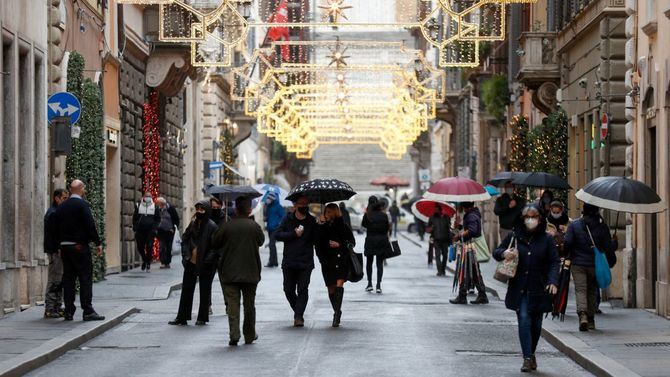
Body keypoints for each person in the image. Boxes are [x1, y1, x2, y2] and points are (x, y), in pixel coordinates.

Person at [493, 204, 559, 373]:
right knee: (523, 319)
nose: (530, 220)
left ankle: (531, 352)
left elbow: (554, 262)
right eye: (527, 217)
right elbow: (497, 251)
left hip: (539, 288)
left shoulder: (547, 239)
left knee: (536, 324)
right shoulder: (514, 236)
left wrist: (553, 281)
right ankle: (527, 358)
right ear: (522, 220)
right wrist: (504, 253)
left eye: (534, 217)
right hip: (519, 287)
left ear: (539, 219)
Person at [213, 196, 265, 346]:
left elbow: (215, 242)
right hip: (251, 271)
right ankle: (249, 334)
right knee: (249, 306)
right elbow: (261, 241)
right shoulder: (254, 226)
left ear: (236, 209)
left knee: (233, 305)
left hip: (229, 271)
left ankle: (234, 334)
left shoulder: (227, 226)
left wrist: (223, 227)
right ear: (249, 210)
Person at [52, 180, 104, 321]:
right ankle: (87, 310)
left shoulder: (62, 207)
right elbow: (90, 225)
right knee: (85, 278)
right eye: (84, 188)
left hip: (65, 247)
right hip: (79, 246)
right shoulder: (82, 205)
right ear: (80, 189)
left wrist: (59, 245)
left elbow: (55, 227)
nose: (85, 190)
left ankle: (69, 311)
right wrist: (98, 243)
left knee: (68, 278)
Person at [564, 203, 618, 331]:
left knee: (580, 290)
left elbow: (568, 243)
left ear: (583, 210)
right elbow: (607, 247)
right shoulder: (602, 226)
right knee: (592, 290)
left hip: (578, 263)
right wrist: (614, 243)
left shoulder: (574, 225)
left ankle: (582, 315)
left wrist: (568, 253)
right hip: (595, 264)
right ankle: (591, 319)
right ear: (597, 210)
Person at [168, 200, 219, 326]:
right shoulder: (192, 224)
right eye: (197, 209)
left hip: (206, 264)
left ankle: (202, 317)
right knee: (186, 290)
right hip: (191, 261)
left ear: (206, 211)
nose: (199, 211)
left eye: (202, 209)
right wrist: (186, 255)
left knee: (205, 291)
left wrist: (208, 260)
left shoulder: (212, 226)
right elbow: (184, 240)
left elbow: (216, 247)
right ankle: (182, 317)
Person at [275, 195, 318, 327]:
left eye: (306, 204)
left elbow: (317, 240)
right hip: (289, 261)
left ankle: (298, 316)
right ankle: (298, 311)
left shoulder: (312, 221)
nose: (304, 206)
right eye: (301, 204)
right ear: (295, 205)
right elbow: (277, 235)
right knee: (288, 289)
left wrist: (321, 226)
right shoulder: (288, 219)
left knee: (303, 289)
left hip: (305, 261)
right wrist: (293, 234)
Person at [316, 203, 356, 327]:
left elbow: (352, 243)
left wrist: (340, 245)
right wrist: (321, 225)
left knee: (339, 285)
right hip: (327, 261)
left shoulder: (343, 226)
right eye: (325, 212)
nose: (326, 214)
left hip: (340, 260)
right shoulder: (322, 226)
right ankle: (336, 310)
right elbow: (317, 242)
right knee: (330, 288)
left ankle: (336, 315)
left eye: (328, 212)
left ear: (334, 212)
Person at [449, 202, 489, 305]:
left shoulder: (471, 215)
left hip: (470, 248)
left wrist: (459, 235)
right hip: (469, 248)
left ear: (465, 206)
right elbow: (469, 228)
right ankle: (481, 295)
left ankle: (463, 296)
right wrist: (459, 226)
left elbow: (472, 230)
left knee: (465, 271)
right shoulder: (472, 214)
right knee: (474, 271)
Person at [44, 188, 69, 318]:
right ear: (57, 198)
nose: (66, 201)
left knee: (59, 280)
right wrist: (58, 249)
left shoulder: (57, 212)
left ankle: (57, 307)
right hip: (55, 252)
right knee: (54, 280)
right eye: (64, 198)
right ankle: (50, 308)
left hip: (58, 251)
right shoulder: (53, 213)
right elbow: (54, 235)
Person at [362, 196, 392, 294]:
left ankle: (369, 283)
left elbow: (363, 225)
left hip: (370, 240)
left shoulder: (368, 215)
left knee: (369, 263)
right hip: (381, 241)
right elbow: (387, 228)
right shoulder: (384, 215)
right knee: (379, 264)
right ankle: (378, 285)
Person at [133, 191, 160, 272]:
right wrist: (135, 226)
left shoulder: (155, 207)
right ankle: (145, 260)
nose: (148, 198)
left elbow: (158, 219)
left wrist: (155, 228)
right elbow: (135, 218)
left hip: (150, 231)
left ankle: (148, 262)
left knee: (149, 246)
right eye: (146, 196)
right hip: (140, 231)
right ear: (143, 197)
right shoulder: (138, 206)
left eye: (149, 196)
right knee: (140, 247)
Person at [156, 197, 180, 269]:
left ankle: (168, 262)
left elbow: (176, 219)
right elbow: (156, 219)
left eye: (158, 203)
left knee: (169, 247)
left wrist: (174, 228)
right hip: (161, 231)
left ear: (162, 204)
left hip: (170, 232)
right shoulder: (158, 210)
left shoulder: (171, 209)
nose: (158, 205)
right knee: (162, 247)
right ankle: (163, 262)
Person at [427, 205, 452, 276]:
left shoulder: (446, 217)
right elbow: (428, 228)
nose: (435, 211)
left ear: (440, 210)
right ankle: (439, 270)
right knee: (437, 256)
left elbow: (449, 228)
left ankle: (443, 270)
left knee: (445, 256)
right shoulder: (432, 218)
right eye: (435, 209)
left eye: (437, 209)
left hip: (445, 240)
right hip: (436, 239)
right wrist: (430, 229)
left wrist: (450, 239)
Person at [264, 192, 286, 268]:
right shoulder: (268, 206)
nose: (267, 200)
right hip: (270, 228)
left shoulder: (278, 206)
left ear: (272, 199)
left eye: (269, 199)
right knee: (272, 245)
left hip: (275, 228)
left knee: (271, 244)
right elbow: (267, 216)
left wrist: (279, 225)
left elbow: (283, 216)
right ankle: (274, 262)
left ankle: (272, 262)